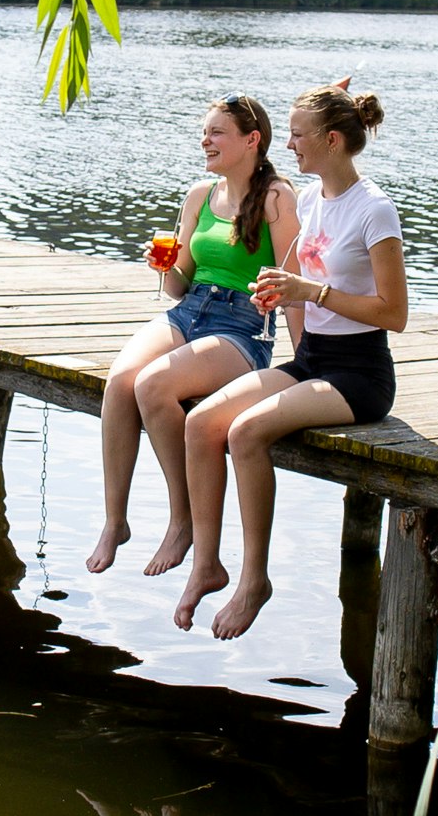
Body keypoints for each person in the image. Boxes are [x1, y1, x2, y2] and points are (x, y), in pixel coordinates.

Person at [177, 80, 403, 639]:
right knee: (202, 421)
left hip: (359, 372)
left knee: (246, 432)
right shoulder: (307, 201)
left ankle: (254, 579)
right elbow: (298, 283)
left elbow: (393, 313)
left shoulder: (375, 210)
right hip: (313, 359)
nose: (291, 145)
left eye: (299, 135)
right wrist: (276, 293)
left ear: (330, 140)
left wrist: (310, 293)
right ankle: (207, 561)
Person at [82, 95, 301, 577]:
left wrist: (306, 362)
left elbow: (293, 287)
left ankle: (182, 522)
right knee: (121, 381)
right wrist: (164, 267)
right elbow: (180, 281)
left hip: (242, 328)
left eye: (217, 132)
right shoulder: (200, 194)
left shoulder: (276, 197)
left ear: (251, 140)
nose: (206, 140)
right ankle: (115, 521)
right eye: (204, 131)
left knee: (153, 385)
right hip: (190, 309)